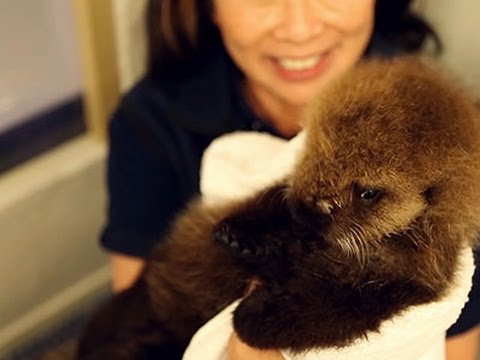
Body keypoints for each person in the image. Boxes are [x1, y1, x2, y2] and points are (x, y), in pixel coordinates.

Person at [100, 0, 480, 359]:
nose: (299, 29)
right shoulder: (150, 122)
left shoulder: (448, 141)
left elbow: (452, 341)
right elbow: (140, 312)